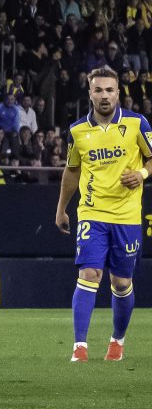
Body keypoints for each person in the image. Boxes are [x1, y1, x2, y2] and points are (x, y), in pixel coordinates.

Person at [55, 65, 152, 363]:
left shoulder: (137, 124)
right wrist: (61, 208)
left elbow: (151, 159)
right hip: (92, 213)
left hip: (126, 216)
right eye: (98, 90)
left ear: (118, 93)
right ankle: (79, 348)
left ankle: (117, 341)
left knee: (121, 283)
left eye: (110, 89)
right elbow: (72, 171)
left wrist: (141, 174)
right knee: (89, 274)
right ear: (90, 93)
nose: (104, 95)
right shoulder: (77, 131)